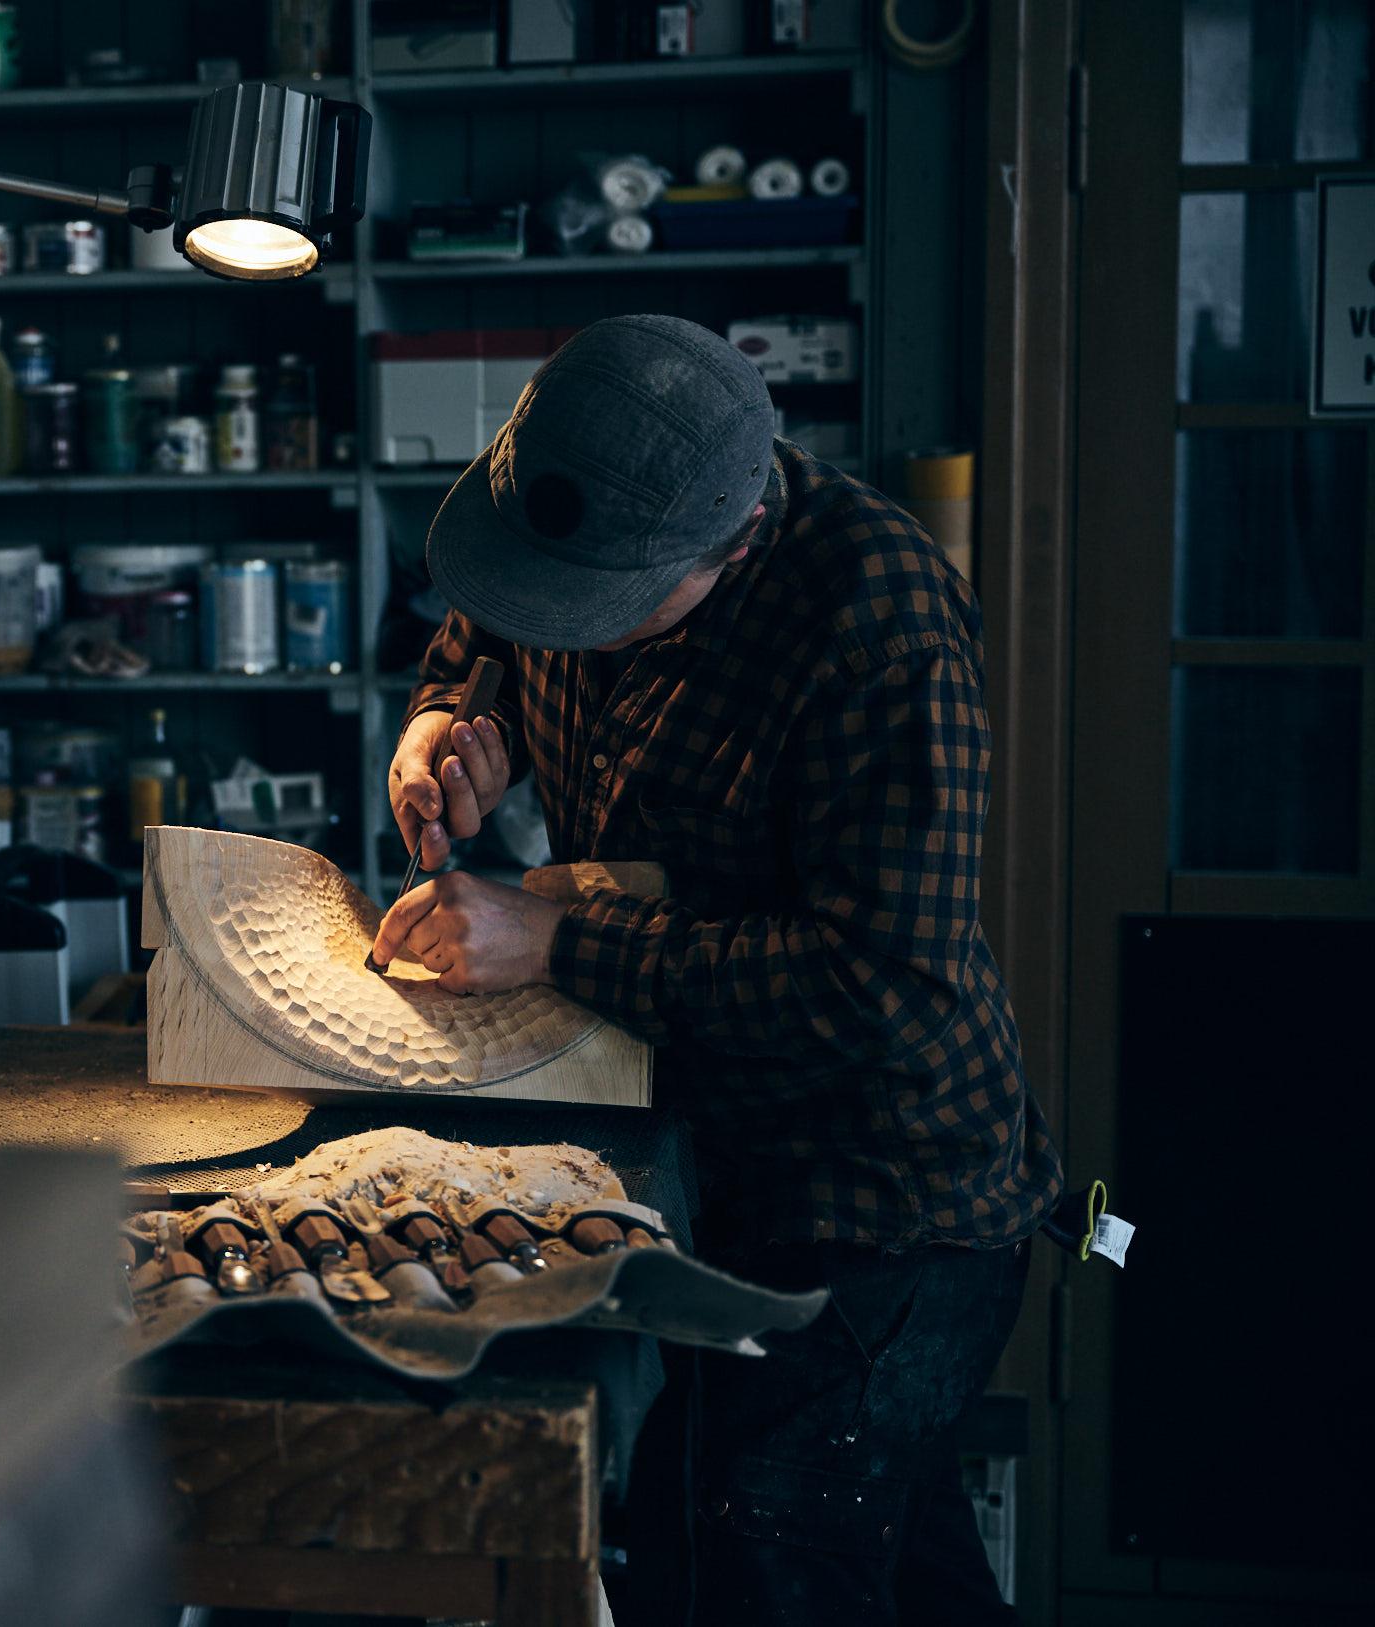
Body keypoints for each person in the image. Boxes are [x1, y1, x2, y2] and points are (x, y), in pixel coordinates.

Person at [374, 316, 1061, 1626]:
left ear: (730, 541)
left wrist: (560, 941)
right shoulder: (580, 499)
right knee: (888, 1566)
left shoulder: (877, 620)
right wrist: (449, 727)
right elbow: (489, 627)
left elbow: (886, 984)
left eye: (606, 611)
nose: (577, 628)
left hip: (881, 1209)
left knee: (755, 1559)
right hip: (707, 1159)